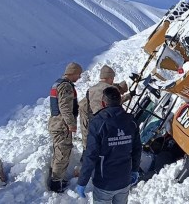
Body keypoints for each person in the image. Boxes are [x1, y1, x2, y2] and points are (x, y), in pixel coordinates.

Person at [76, 87, 141, 203]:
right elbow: (137, 149)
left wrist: (82, 181)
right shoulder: (131, 121)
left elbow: (91, 154)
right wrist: (135, 169)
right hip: (124, 179)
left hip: (104, 182)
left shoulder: (98, 123)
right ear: (119, 101)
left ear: (103, 103)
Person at [78, 65, 133, 158]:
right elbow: (116, 103)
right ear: (110, 77)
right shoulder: (111, 89)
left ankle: (85, 164)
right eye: (112, 78)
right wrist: (129, 95)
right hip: (108, 123)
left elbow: (84, 107)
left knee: (92, 147)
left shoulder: (90, 90)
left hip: (93, 122)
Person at [48, 62, 83, 192]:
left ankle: (58, 177)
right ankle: (56, 184)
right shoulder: (66, 86)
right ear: (73, 73)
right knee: (62, 154)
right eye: (78, 74)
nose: (79, 78)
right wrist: (71, 124)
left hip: (56, 123)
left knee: (59, 153)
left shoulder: (58, 83)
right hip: (62, 126)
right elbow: (65, 108)